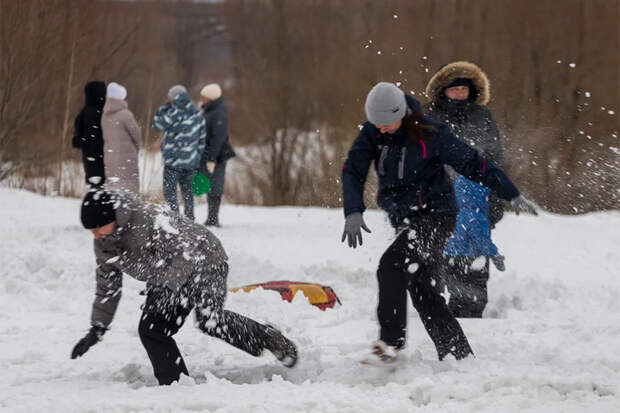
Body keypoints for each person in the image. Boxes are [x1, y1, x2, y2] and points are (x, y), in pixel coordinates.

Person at [341, 82, 536, 363]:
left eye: (386, 123)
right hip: (406, 220)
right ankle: (458, 354)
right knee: (422, 287)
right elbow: (353, 170)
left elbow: (473, 163)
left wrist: (510, 191)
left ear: (402, 113)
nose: (380, 129)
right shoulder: (374, 132)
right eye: (376, 123)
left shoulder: (431, 134)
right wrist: (353, 210)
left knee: (391, 266)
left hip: (437, 216)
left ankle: (391, 342)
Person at [71, 189, 298, 385]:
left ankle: (268, 338)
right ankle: (175, 384)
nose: (97, 235)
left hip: (207, 260)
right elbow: (107, 284)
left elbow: (184, 252)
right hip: (168, 277)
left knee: (210, 320)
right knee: (152, 329)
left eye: (99, 227)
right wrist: (98, 327)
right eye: (91, 231)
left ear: (112, 216)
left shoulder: (146, 219)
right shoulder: (104, 243)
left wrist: (165, 287)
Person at [424, 61, 511, 317]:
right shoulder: (428, 116)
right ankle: (440, 311)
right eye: (455, 88)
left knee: (476, 257)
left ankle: (472, 313)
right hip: (440, 202)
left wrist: (496, 200)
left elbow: (495, 160)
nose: (460, 93)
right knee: (443, 258)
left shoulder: (482, 116)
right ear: (443, 90)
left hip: (476, 201)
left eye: (464, 88)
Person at [441, 176, 506, 317]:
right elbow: (482, 241)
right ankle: (471, 326)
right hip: (471, 261)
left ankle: (453, 320)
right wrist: (494, 255)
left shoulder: (454, 213)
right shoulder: (475, 216)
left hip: (451, 259)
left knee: (457, 297)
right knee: (476, 300)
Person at [152, 85, 205, 221]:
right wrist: (196, 157)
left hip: (173, 162)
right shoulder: (197, 114)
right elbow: (202, 139)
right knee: (187, 191)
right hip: (190, 162)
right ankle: (189, 219)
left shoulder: (171, 114)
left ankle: (175, 219)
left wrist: (165, 106)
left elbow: (156, 123)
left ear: (173, 97)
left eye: (169, 97)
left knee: (169, 192)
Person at [199, 83, 235, 227]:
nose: (201, 99)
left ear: (210, 97)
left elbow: (218, 137)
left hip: (218, 156)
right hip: (208, 154)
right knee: (209, 186)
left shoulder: (218, 112)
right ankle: (210, 217)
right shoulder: (208, 111)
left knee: (215, 186)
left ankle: (213, 218)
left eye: (204, 96)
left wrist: (212, 158)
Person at [101, 82, 141, 194]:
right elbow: (136, 135)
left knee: (114, 188)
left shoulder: (104, 116)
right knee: (129, 190)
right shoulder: (125, 115)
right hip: (127, 159)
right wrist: (137, 148)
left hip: (110, 157)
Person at [72, 81, 106, 188]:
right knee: (99, 193)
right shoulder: (94, 113)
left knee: (98, 193)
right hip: (97, 161)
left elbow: (81, 138)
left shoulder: (88, 111)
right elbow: (92, 139)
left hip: (93, 160)